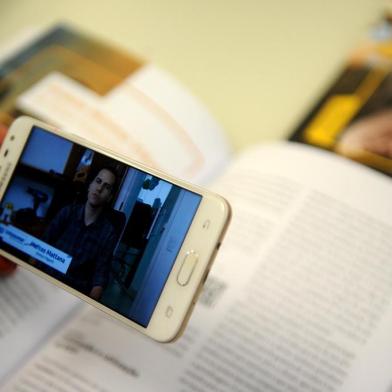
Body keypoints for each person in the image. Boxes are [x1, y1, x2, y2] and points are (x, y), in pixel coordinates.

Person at [40, 167, 122, 300]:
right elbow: (41, 246)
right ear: (90, 185)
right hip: (46, 282)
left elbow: (99, 278)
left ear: (110, 197)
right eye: (98, 181)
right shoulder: (67, 212)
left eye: (106, 187)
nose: (99, 188)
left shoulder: (108, 233)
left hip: (73, 295)